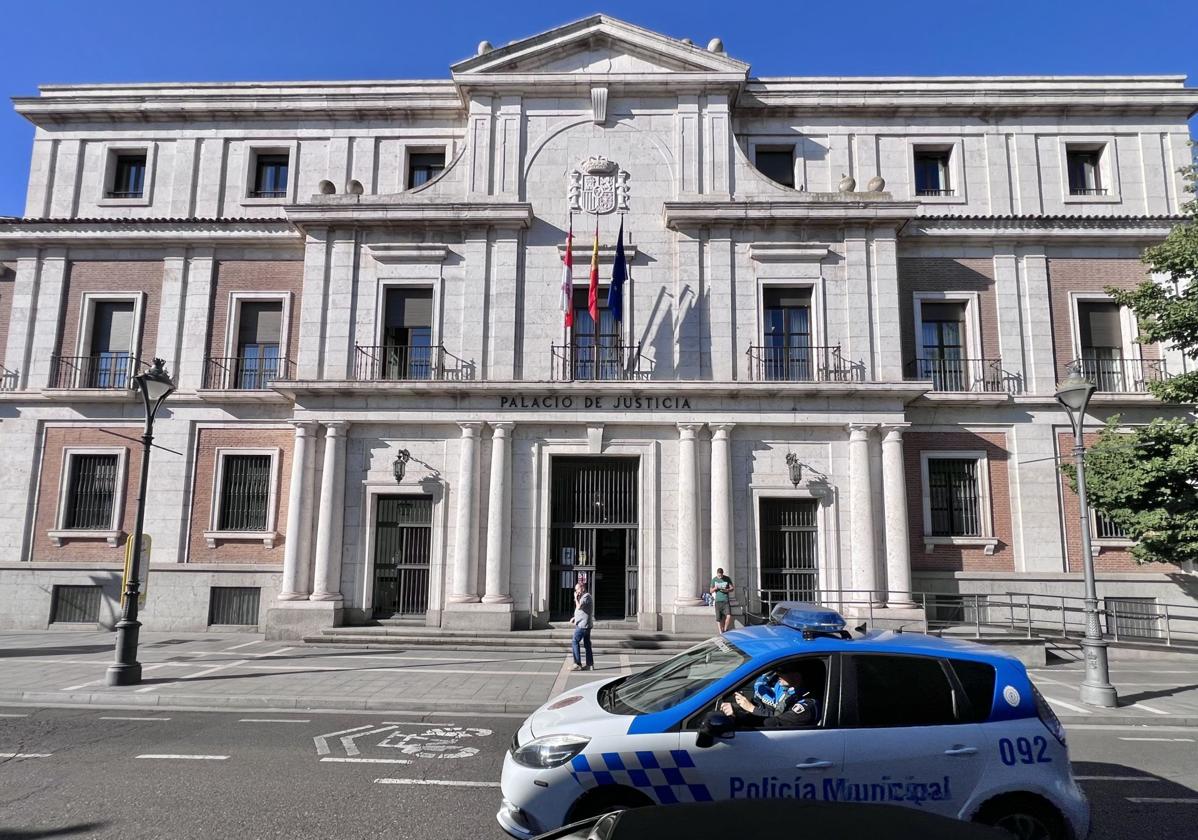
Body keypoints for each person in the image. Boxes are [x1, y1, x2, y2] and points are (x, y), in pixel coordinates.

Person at [719, 667, 819, 729]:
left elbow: (773, 723)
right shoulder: (781, 683)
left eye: (782, 671)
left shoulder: (806, 706)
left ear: (797, 676)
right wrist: (740, 707)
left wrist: (744, 712)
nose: (777, 673)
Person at [570, 579, 594, 671]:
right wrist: (575, 618)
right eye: (575, 590)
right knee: (587, 644)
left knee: (575, 641)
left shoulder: (586, 596)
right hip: (584, 624)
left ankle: (577, 664)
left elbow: (579, 606)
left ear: (582, 588)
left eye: (577, 589)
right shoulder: (584, 597)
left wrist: (576, 598)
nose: (576, 592)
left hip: (583, 626)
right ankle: (589, 665)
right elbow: (582, 611)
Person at [709, 568, 735, 633]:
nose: (720, 577)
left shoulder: (727, 578)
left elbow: (732, 588)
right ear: (717, 574)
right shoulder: (714, 579)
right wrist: (715, 588)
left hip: (725, 600)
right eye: (718, 576)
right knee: (718, 618)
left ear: (722, 574)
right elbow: (710, 591)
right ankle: (720, 632)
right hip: (718, 600)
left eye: (721, 576)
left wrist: (727, 590)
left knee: (728, 616)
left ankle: (725, 630)